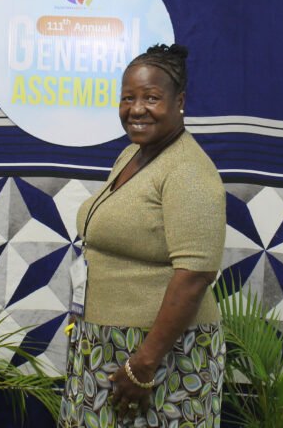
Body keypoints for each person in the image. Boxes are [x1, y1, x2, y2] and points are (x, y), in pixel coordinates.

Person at [61, 44, 226, 427]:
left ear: (179, 101)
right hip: (107, 344)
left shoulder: (189, 172)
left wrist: (143, 365)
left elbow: (195, 276)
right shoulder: (133, 155)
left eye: (151, 98)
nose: (137, 109)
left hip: (161, 355)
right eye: (128, 98)